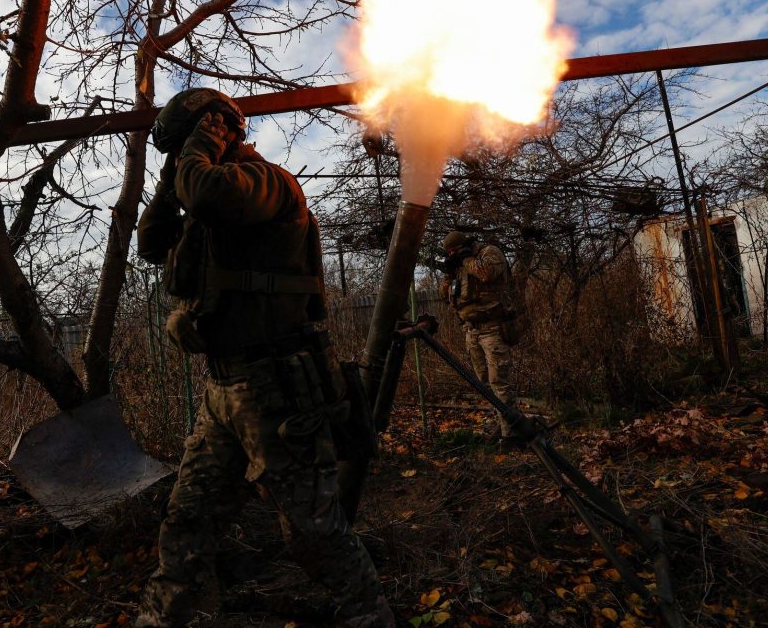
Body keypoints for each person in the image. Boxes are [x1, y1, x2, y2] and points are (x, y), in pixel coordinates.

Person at [135, 88, 393, 628]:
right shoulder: (207, 199)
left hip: (277, 388)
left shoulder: (264, 182)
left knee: (314, 535)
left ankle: (370, 616)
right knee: (187, 522)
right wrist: (166, 182)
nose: (183, 159)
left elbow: (205, 192)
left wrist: (201, 144)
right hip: (223, 393)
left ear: (216, 132)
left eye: (189, 145)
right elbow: (151, 242)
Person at [440, 230, 523, 445]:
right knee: (484, 383)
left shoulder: (489, 253)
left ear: (465, 246)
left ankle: (512, 434)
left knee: (500, 382)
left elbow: (486, 273)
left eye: (454, 251)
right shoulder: (460, 266)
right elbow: (444, 295)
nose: (453, 255)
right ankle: (503, 424)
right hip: (471, 330)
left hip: (493, 328)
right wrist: (449, 274)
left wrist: (466, 258)